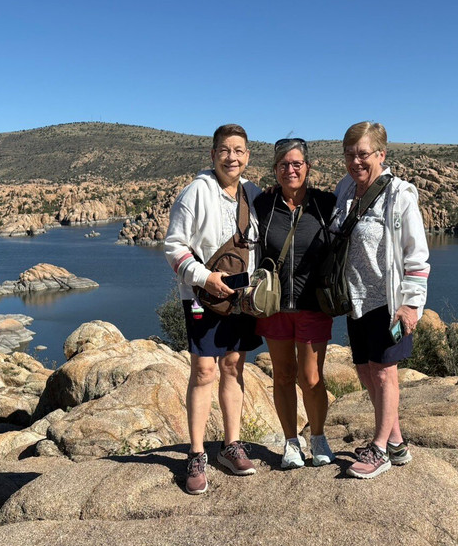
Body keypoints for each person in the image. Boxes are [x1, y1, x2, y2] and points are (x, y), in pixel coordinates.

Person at [164, 124, 263, 495]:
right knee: (204, 370)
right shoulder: (195, 193)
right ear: (213, 154)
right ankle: (196, 453)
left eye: (238, 150)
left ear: (247, 156)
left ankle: (231, 444)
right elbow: (174, 246)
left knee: (234, 366)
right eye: (225, 150)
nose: (232, 157)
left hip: (241, 297)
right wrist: (204, 277)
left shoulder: (252, 194)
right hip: (204, 296)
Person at [331, 121, 430, 479]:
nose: (356, 161)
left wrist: (412, 304)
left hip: (388, 304)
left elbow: (417, 256)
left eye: (363, 154)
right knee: (365, 370)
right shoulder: (345, 189)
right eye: (349, 154)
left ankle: (379, 449)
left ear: (381, 155)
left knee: (385, 374)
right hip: (355, 301)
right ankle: (397, 443)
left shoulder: (399, 195)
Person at [253, 138, 338, 469]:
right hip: (274, 307)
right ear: (275, 169)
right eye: (284, 165)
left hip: (313, 305)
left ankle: (318, 437)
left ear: (308, 167)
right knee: (283, 375)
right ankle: (291, 443)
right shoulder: (264, 205)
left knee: (312, 377)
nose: (290, 170)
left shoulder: (325, 204)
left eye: (296, 164)